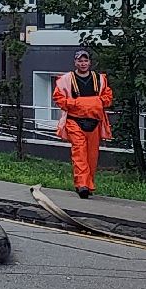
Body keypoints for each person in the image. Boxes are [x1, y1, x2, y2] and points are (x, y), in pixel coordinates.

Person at [52, 50, 113, 198]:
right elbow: (58, 98)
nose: (83, 63)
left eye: (85, 61)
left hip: (95, 123)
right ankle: (82, 185)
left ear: (89, 62)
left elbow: (108, 97)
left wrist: (95, 103)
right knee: (79, 153)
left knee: (92, 156)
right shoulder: (66, 80)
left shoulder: (100, 79)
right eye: (80, 61)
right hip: (74, 121)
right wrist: (76, 104)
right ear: (75, 63)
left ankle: (89, 184)